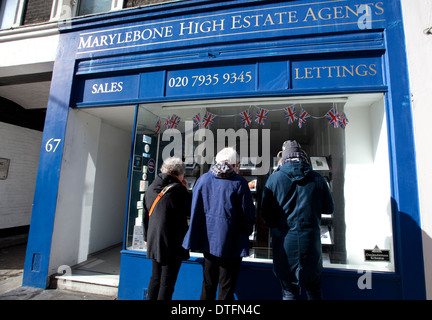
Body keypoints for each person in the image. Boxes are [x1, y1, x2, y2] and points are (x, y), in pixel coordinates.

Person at [261, 140, 334, 300]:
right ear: (303, 157)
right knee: (314, 291)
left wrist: (276, 225)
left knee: (289, 293)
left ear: (284, 158)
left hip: (285, 243)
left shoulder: (274, 179)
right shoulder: (317, 178)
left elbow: (265, 213)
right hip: (311, 243)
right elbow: (329, 209)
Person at [182, 147, 256, 300]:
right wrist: (246, 232)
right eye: (238, 164)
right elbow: (248, 214)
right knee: (226, 287)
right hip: (232, 242)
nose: (239, 167)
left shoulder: (202, 180)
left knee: (208, 283)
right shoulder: (239, 182)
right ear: (232, 164)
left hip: (208, 241)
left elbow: (195, 210)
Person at [143, 157, 191, 300]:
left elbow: (146, 215)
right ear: (179, 174)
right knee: (167, 282)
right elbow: (188, 212)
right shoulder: (178, 190)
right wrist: (186, 190)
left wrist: (147, 238)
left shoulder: (151, 187)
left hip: (154, 239)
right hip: (172, 242)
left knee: (155, 278)